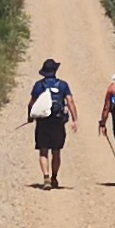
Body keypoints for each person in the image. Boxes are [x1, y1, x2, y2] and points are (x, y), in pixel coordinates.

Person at [26, 58, 74, 187]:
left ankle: (46, 177)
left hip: (43, 121)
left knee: (43, 150)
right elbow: (70, 101)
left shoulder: (38, 85)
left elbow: (31, 103)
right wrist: (75, 119)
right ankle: (54, 177)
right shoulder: (63, 85)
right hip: (58, 121)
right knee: (56, 150)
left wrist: (30, 117)